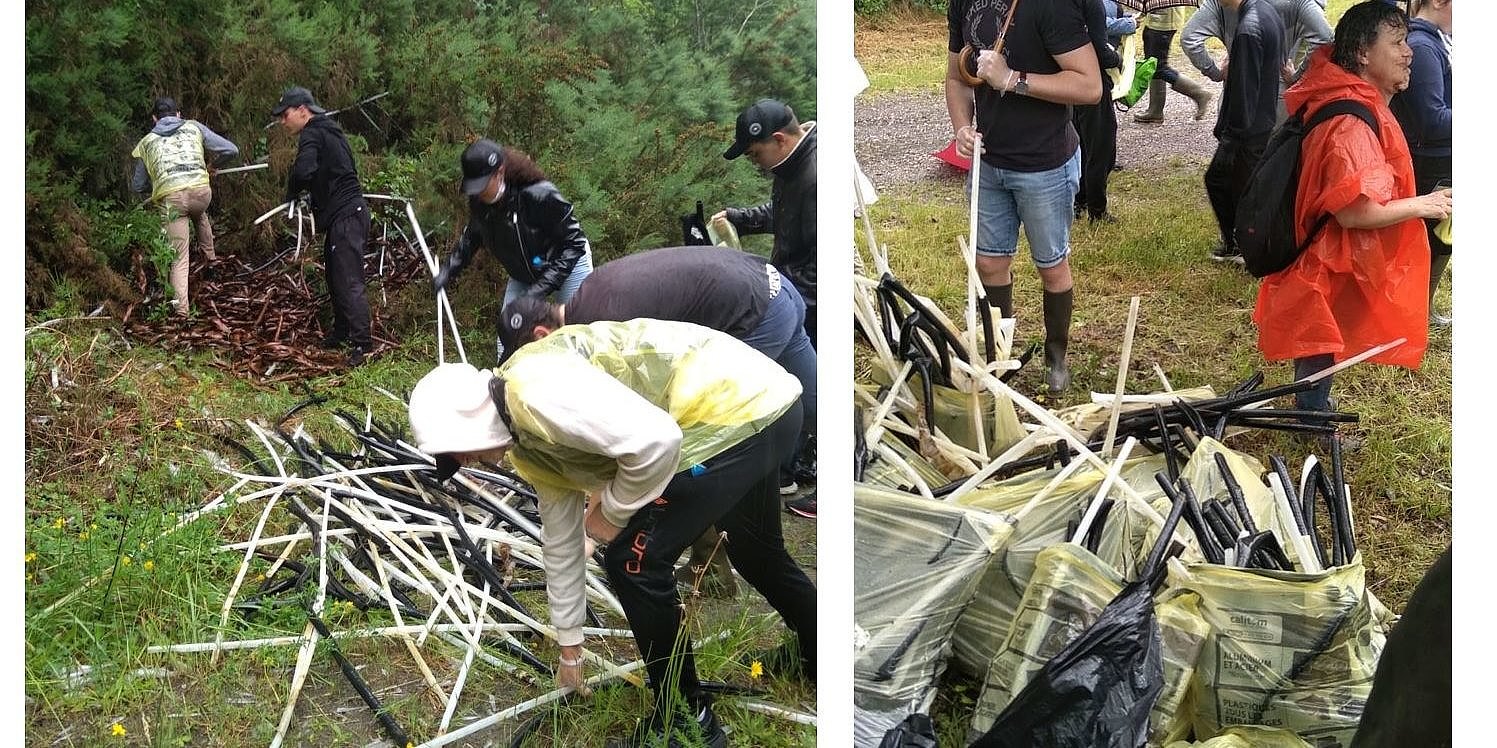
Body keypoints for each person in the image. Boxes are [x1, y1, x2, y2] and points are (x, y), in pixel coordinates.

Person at [407, 321, 817, 748]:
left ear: (464, 426)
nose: (467, 463)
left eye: (457, 453)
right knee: (756, 551)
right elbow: (561, 544)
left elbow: (657, 442)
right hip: (765, 407)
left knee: (632, 562)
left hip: (732, 409)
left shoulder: (535, 392)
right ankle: (818, 653)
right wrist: (570, 648)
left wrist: (614, 515)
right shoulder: (527, 439)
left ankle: (687, 720)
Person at [496, 245, 818, 520]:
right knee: (820, 405)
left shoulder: (599, 332)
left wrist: (605, 511)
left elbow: (648, 422)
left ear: (542, 336)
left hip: (753, 313)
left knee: (720, 435)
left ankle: (719, 547)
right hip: (772, 283)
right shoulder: (590, 294)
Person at [1253, 1, 1451, 412]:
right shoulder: (1350, 122)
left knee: (1323, 333)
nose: (1408, 51)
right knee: (1319, 334)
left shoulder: (1346, 95)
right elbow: (1355, 212)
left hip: (1325, 249)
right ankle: (1312, 416)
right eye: (1396, 42)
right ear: (1363, 52)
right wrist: (1424, 204)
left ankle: (1313, 408)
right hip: (1322, 252)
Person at [945, 0, 1101, 394]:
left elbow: (1090, 86)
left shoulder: (1050, 5)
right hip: (989, 160)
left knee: (1051, 266)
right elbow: (957, 77)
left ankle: (1056, 358)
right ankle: (1001, 357)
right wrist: (963, 127)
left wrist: (1014, 78)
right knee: (989, 264)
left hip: (1044, 163)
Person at [434, 138, 594, 363]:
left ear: (500, 172)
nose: (478, 193)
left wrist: (537, 291)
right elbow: (472, 237)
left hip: (568, 264)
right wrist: (447, 271)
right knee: (509, 332)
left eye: (482, 184)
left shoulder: (539, 195)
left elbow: (573, 243)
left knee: (576, 330)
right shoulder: (480, 205)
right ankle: (506, 388)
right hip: (524, 275)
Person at [273, 86, 372, 367]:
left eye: (286, 114)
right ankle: (341, 333)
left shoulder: (313, 132)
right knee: (335, 276)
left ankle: (363, 345)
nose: (283, 121)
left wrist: (293, 192)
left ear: (303, 111)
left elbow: (304, 170)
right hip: (346, 215)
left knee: (349, 280)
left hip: (347, 216)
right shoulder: (329, 131)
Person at [715, 99, 817, 348]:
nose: (754, 162)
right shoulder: (790, 166)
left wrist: (781, 302)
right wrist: (738, 219)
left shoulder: (814, 177)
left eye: (755, 154)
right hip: (790, 290)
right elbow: (787, 215)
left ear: (780, 139)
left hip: (808, 309)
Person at [130, 96, 239, 317]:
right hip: (201, 194)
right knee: (199, 214)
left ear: (154, 119)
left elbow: (138, 184)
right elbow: (231, 150)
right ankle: (211, 261)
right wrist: (211, 166)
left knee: (179, 258)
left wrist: (159, 184)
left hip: (172, 200)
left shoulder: (147, 142)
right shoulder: (194, 127)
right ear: (178, 114)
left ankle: (181, 313)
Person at [1201, 0, 1284, 263]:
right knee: (1239, 187)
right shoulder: (1265, 10)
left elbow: (1243, 92)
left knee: (1226, 184)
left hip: (1247, 129)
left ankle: (1244, 248)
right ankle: (1241, 245)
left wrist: (1231, 136)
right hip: (1261, 120)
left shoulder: (1249, 27)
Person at [1390, 0, 1452, 326]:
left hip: (1442, 159)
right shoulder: (1424, 46)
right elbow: (1433, 120)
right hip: (1432, 163)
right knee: (1432, 240)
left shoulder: (1438, 40)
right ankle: (1412, 313)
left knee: (1443, 239)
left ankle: (1420, 310)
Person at [1181, 0, 1333, 121]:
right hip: (1277, 99)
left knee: (1234, 155)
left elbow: (1189, 38)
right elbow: (1325, 38)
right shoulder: (1299, 3)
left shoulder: (1221, 2)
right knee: (1273, 157)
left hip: (1235, 94)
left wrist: (1216, 73)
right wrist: (1297, 77)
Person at [1073, 0, 1135, 224]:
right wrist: (1118, 60)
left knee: (1080, 145)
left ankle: (1078, 202)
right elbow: (1100, 49)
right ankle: (1097, 211)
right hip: (1094, 83)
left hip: (1069, 82)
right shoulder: (1094, 4)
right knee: (1101, 150)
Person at [1132, 6, 1215, 123]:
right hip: (1157, 20)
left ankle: (1199, 93)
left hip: (1163, 22)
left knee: (1158, 67)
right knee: (1153, 64)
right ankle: (1155, 109)